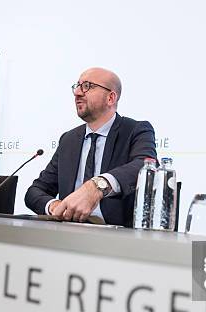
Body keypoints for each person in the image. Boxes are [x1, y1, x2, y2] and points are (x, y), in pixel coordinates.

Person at [25, 67, 157, 227]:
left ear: (111, 98)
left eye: (87, 86)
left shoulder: (135, 130)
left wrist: (97, 186)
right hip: (68, 234)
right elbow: (35, 191)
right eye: (77, 86)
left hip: (117, 239)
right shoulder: (69, 139)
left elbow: (145, 165)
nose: (78, 93)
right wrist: (55, 206)